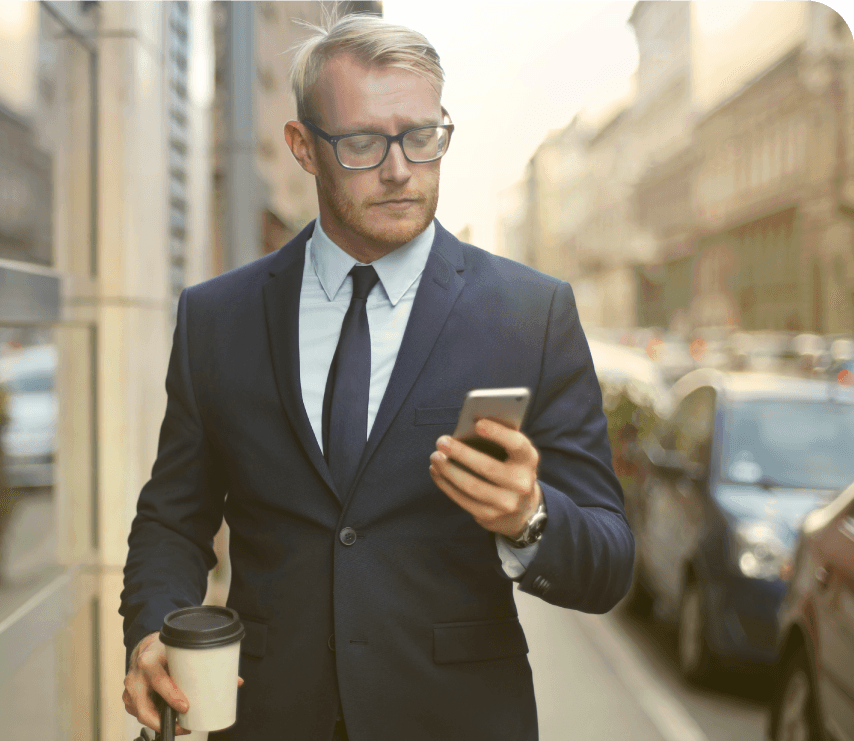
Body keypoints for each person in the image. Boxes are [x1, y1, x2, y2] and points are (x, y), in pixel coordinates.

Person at [120, 11, 634, 741]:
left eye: (421, 137)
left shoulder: (532, 313)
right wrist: (149, 632)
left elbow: (609, 562)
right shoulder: (216, 317)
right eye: (363, 142)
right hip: (266, 718)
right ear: (302, 147)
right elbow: (173, 518)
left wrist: (530, 518)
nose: (399, 168)